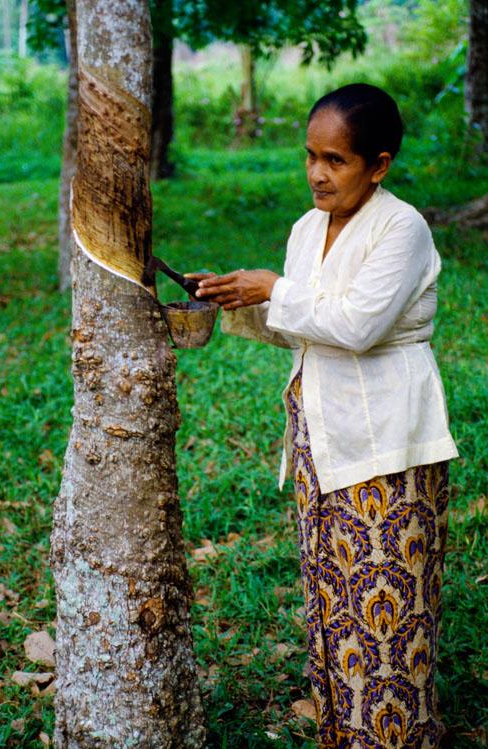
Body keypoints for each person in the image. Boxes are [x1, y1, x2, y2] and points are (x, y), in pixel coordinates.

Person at [188, 83, 459, 749]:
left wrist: (272, 289)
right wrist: (235, 298)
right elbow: (304, 326)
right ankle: (339, 721)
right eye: (309, 155)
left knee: (387, 600)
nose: (315, 172)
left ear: (379, 164)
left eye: (335, 160)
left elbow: (357, 325)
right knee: (331, 583)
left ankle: (393, 735)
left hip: (387, 437)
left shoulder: (401, 228)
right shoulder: (306, 229)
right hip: (318, 427)